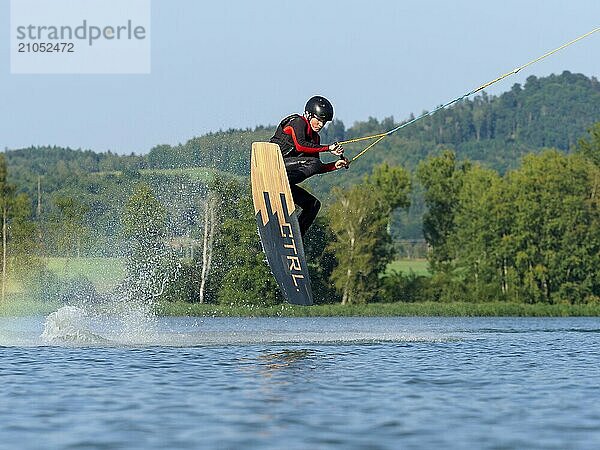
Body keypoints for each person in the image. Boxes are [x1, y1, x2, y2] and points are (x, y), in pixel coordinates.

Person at [270, 95, 349, 236]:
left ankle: (296, 237)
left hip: (284, 177)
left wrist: (334, 165)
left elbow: (316, 167)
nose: (320, 124)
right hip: (273, 167)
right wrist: (328, 148)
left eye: (323, 122)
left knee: (313, 204)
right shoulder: (297, 122)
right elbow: (300, 145)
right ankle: (283, 183)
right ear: (309, 114)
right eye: (318, 120)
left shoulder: (315, 138)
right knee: (314, 161)